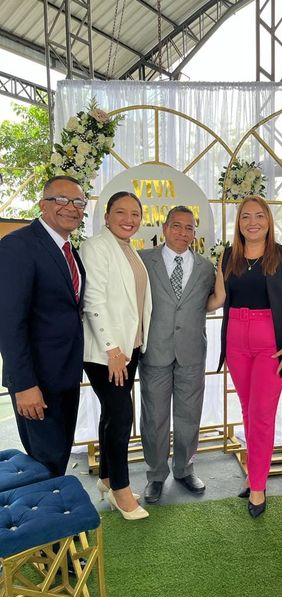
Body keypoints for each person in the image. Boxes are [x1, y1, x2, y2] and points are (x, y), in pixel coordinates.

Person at [208, 196, 282, 518]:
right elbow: (219, 298)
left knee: (262, 414)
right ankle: (254, 474)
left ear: (268, 220)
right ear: (238, 223)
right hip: (236, 339)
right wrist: (184, 306)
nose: (253, 222)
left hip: (271, 343)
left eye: (259, 216)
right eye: (246, 216)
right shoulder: (227, 256)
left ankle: (259, 486)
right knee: (249, 411)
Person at [0, 175, 86, 476]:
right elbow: (9, 322)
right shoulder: (18, 246)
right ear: (43, 205)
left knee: (58, 458)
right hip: (36, 382)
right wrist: (24, 385)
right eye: (61, 199)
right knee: (45, 465)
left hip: (66, 376)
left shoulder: (69, 249)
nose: (71, 207)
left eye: (78, 202)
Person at [80, 191, 151, 521]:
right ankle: (121, 490)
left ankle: (107, 480)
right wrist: (112, 350)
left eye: (135, 213)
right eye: (121, 212)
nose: (129, 219)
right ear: (106, 216)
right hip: (107, 353)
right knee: (122, 417)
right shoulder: (96, 247)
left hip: (128, 348)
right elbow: (92, 301)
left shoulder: (127, 248)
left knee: (113, 412)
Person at [139, 206, 215, 504]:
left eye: (189, 228)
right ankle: (156, 475)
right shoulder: (144, 261)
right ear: (165, 228)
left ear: (195, 233)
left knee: (189, 416)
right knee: (154, 417)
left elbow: (210, 302)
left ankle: (185, 469)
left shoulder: (206, 267)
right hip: (154, 351)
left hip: (192, 353)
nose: (183, 233)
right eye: (177, 226)